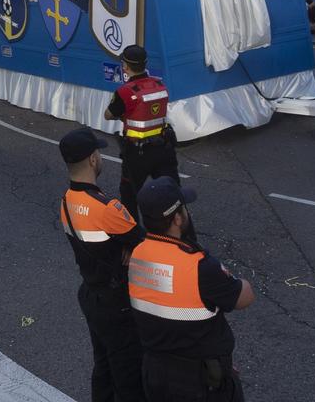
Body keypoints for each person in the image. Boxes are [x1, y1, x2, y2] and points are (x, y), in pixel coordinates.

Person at [127, 178, 254, 401]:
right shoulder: (199, 267)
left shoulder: (138, 255)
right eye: (184, 208)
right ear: (177, 218)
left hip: (155, 372)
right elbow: (244, 298)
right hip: (200, 382)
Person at [58, 127, 145, 402]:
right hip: (117, 304)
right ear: (93, 159)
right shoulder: (107, 209)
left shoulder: (66, 201)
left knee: (104, 366)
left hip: (92, 296)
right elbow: (148, 243)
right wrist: (132, 247)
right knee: (129, 375)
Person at [105, 45, 177, 218]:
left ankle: (133, 238)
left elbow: (108, 115)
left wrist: (124, 116)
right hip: (163, 148)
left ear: (125, 66)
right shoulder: (159, 85)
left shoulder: (125, 92)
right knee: (172, 194)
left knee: (129, 196)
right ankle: (180, 233)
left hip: (137, 153)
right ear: (145, 63)